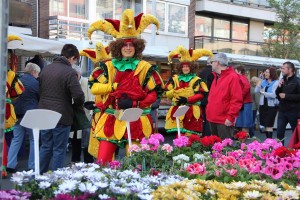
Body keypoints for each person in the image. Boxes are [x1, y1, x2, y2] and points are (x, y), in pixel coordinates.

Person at [87, 9, 164, 165]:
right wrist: (113, 88)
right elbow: (95, 87)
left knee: (137, 162)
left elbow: (154, 93)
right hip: (111, 118)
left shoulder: (145, 67)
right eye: (124, 45)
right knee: (103, 162)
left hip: (137, 119)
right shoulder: (107, 67)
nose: (128, 48)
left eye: (131, 45)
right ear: (118, 46)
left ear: (137, 47)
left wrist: (135, 104)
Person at [38, 44, 85, 173]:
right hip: (62, 115)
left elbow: (39, 91)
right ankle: (56, 179)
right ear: (73, 58)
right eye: (76, 60)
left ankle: (40, 176)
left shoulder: (45, 69)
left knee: (46, 146)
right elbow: (79, 95)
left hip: (44, 113)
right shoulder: (70, 72)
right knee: (59, 149)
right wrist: (76, 105)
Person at [164, 45, 212, 137]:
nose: (185, 68)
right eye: (183, 66)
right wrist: (173, 93)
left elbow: (201, 94)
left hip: (192, 110)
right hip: (177, 109)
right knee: (179, 134)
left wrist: (187, 100)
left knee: (190, 135)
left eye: (187, 66)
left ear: (191, 67)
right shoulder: (175, 79)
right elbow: (167, 93)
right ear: (180, 68)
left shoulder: (196, 79)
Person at [6, 63, 40, 172]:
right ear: (34, 72)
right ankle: (32, 166)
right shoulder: (35, 83)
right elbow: (39, 97)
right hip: (30, 114)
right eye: (37, 73)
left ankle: (10, 164)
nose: (38, 75)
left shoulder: (17, 80)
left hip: (17, 113)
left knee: (16, 139)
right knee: (33, 139)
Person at [206, 53, 243, 139]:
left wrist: (230, 118)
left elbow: (236, 100)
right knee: (214, 148)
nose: (210, 64)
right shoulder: (216, 77)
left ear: (217, 63)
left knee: (225, 149)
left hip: (224, 120)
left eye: (212, 62)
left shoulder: (233, 77)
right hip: (212, 118)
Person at [2, 35, 24, 178]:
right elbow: (19, 90)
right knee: (5, 139)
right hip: (6, 112)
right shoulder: (9, 74)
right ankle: (4, 168)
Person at [69, 64, 94, 163]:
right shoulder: (69, 82)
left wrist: (90, 107)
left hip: (85, 116)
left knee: (86, 141)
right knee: (75, 140)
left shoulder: (87, 82)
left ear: (79, 74)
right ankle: (75, 161)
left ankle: (89, 163)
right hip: (73, 116)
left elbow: (92, 98)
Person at [276, 61, 300, 145]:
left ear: (290, 69)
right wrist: (279, 87)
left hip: (294, 111)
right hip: (282, 110)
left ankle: (296, 152)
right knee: (279, 132)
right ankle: (280, 151)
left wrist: (287, 96)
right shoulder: (283, 80)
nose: (281, 70)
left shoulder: (297, 81)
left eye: (283, 68)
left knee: (296, 133)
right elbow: (278, 94)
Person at [255, 67, 279, 139]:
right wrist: (259, 82)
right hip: (263, 105)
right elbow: (256, 90)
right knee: (265, 125)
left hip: (271, 106)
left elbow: (274, 95)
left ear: (272, 73)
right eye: (265, 72)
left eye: (267, 72)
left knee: (269, 125)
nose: (265, 73)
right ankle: (267, 142)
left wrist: (263, 92)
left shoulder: (276, 82)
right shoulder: (263, 82)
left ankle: (269, 143)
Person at [234, 65, 253, 134]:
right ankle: (243, 142)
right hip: (245, 102)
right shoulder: (242, 77)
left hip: (245, 103)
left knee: (244, 124)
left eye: (235, 71)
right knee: (243, 124)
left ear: (239, 71)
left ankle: (244, 143)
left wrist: (240, 96)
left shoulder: (241, 77)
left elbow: (247, 87)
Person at [198, 58, 214, 136]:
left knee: (204, 118)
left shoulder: (201, 71)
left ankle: (204, 134)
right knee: (209, 119)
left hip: (202, 98)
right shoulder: (213, 72)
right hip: (210, 98)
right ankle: (208, 136)